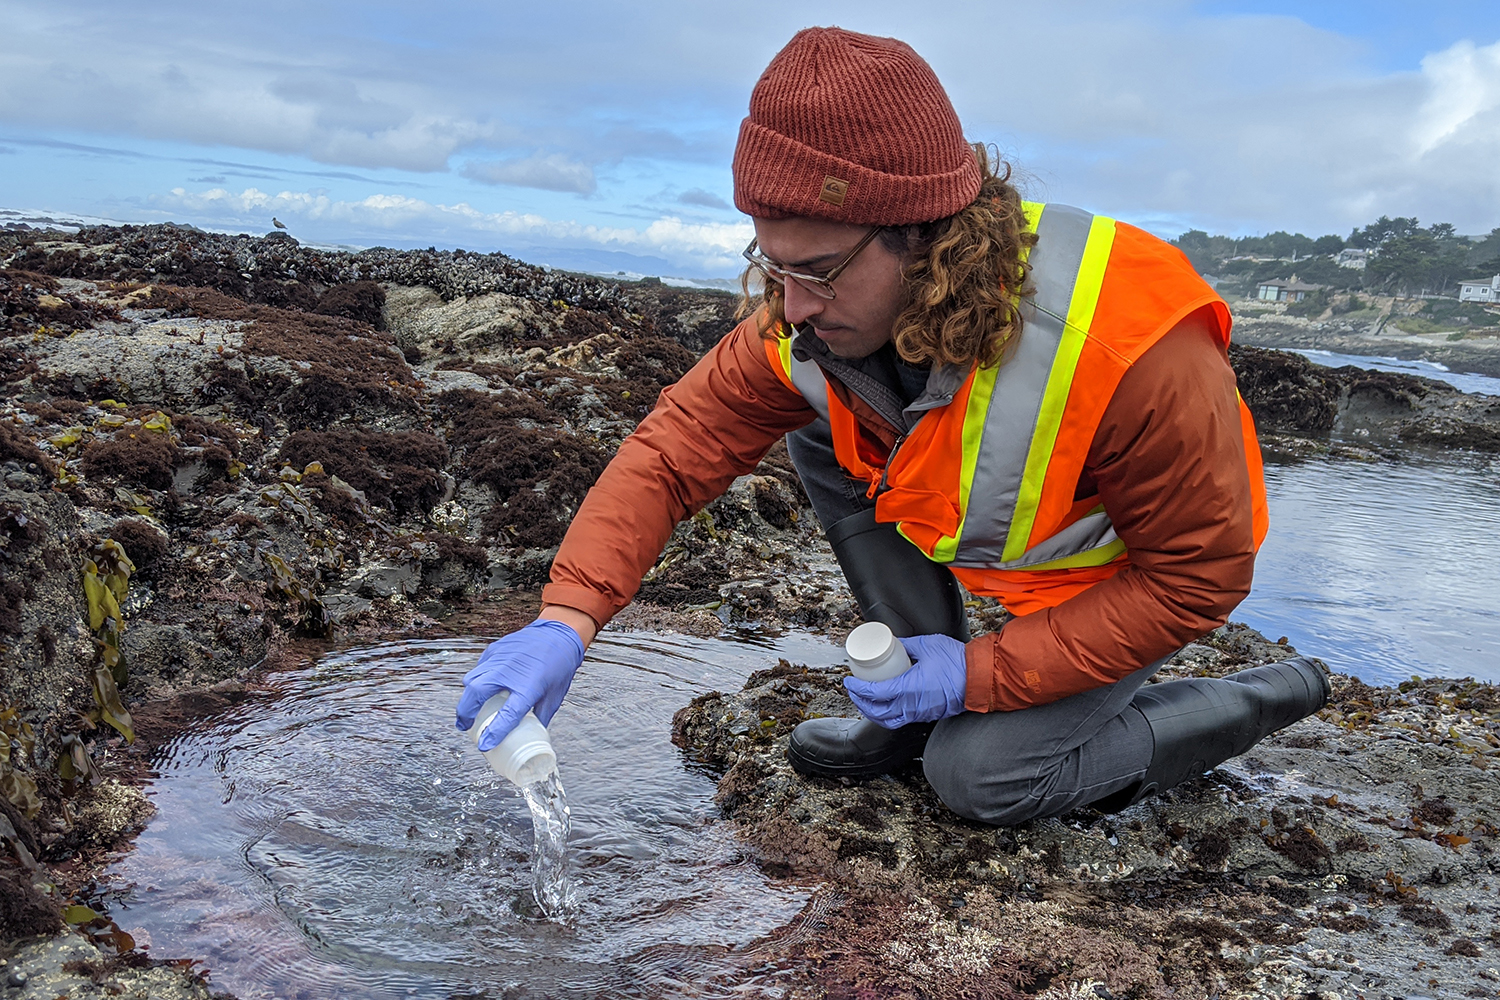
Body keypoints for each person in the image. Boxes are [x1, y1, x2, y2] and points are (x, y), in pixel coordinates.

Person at [455, 27, 1330, 826]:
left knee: (981, 779)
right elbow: (673, 449)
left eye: (822, 271)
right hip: (1005, 564)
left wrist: (982, 678)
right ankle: (908, 689)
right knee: (817, 420)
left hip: (1119, 589)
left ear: (925, 237)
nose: (792, 306)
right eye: (772, 263)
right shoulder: (807, 320)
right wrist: (566, 618)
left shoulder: (1134, 348)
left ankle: (1263, 696)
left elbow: (1198, 578)